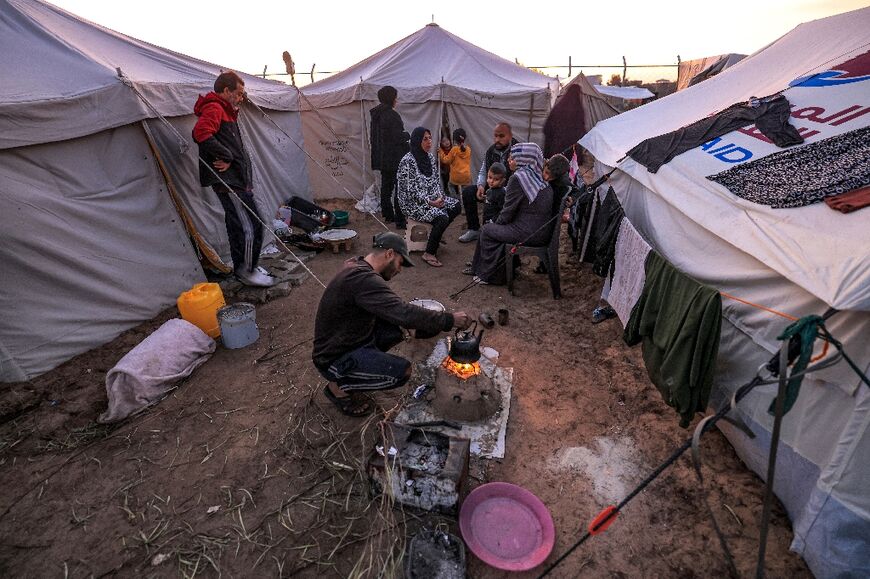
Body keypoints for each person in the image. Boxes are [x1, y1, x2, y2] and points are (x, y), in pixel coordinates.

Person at [312, 232, 471, 416]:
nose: (399, 270)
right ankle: (337, 388)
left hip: (352, 337)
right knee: (402, 371)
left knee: (404, 327)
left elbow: (395, 311)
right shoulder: (363, 279)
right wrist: (449, 320)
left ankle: (360, 368)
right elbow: (403, 312)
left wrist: (418, 326)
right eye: (400, 263)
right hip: (333, 357)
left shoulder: (358, 267)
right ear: (389, 254)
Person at [193, 71, 273, 287]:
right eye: (238, 94)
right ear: (226, 90)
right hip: (229, 182)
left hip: (236, 179)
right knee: (251, 225)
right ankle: (247, 271)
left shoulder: (225, 110)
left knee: (238, 225)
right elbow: (200, 133)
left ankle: (246, 266)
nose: (240, 98)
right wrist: (226, 156)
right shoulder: (215, 107)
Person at [469, 143, 554, 284]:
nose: (509, 160)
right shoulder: (538, 176)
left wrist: (495, 224)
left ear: (524, 160)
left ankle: (491, 276)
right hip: (541, 231)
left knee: (487, 230)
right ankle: (479, 268)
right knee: (492, 228)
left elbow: (507, 212)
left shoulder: (519, 178)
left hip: (529, 233)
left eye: (513, 158)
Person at [397, 128, 462, 268]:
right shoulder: (407, 162)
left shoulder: (430, 158)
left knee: (456, 205)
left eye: (430, 138)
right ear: (416, 141)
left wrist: (440, 197)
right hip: (412, 203)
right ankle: (429, 253)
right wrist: (431, 202)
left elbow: (435, 181)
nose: (429, 142)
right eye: (425, 139)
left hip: (431, 198)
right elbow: (410, 192)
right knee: (442, 217)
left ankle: (436, 234)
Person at [458, 122, 518, 243]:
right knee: (468, 192)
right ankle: (474, 229)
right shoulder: (491, 150)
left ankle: (499, 231)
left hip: (511, 190)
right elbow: (483, 171)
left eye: (501, 136)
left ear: (510, 136)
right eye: (495, 136)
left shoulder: (518, 150)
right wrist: (481, 186)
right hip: (493, 187)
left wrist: (504, 190)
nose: (497, 139)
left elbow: (521, 176)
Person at [369, 86, 410, 228]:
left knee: (386, 188)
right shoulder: (392, 115)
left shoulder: (376, 115)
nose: (396, 100)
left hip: (383, 157)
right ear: (391, 98)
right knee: (400, 189)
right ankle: (399, 220)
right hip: (395, 157)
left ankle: (388, 215)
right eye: (395, 97)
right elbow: (397, 137)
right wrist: (407, 135)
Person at [438, 128, 472, 200]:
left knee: (450, 185)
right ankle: (464, 199)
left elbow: (446, 160)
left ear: (454, 140)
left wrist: (440, 151)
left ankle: (455, 199)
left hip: (456, 176)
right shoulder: (468, 149)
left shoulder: (454, 149)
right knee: (464, 190)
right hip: (466, 176)